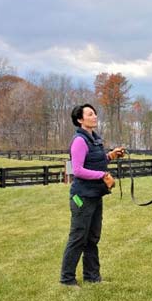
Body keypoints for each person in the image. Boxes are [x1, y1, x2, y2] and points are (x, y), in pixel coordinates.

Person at [59, 103, 125, 288]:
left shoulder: (95, 139)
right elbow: (78, 170)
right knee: (78, 237)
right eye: (90, 114)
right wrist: (102, 175)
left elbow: (96, 160)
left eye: (95, 113)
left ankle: (92, 277)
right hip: (81, 197)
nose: (94, 116)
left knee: (92, 238)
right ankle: (67, 279)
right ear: (80, 120)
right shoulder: (79, 141)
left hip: (95, 195)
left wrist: (111, 155)